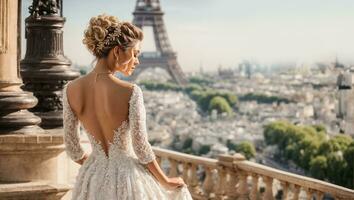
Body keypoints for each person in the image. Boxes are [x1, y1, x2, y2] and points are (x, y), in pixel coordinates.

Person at [62, 14, 193, 200]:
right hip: (127, 179)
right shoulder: (131, 91)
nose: (137, 60)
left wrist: (96, 165)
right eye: (135, 53)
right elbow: (141, 147)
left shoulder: (70, 90)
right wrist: (165, 181)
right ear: (117, 51)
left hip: (91, 178)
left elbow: (73, 148)